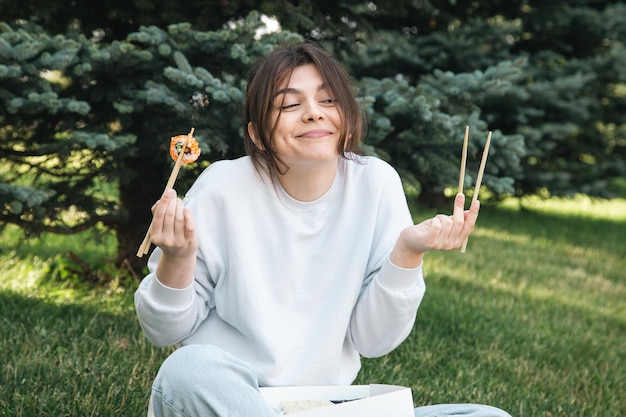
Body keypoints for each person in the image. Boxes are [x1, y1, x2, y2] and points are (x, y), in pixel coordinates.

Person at [134, 42, 511, 417]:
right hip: (236, 402)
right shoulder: (222, 187)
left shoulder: (376, 183)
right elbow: (164, 330)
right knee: (189, 370)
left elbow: (374, 341)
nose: (314, 113)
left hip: (327, 407)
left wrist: (408, 252)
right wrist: (178, 257)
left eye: (328, 101)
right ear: (259, 134)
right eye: (289, 104)